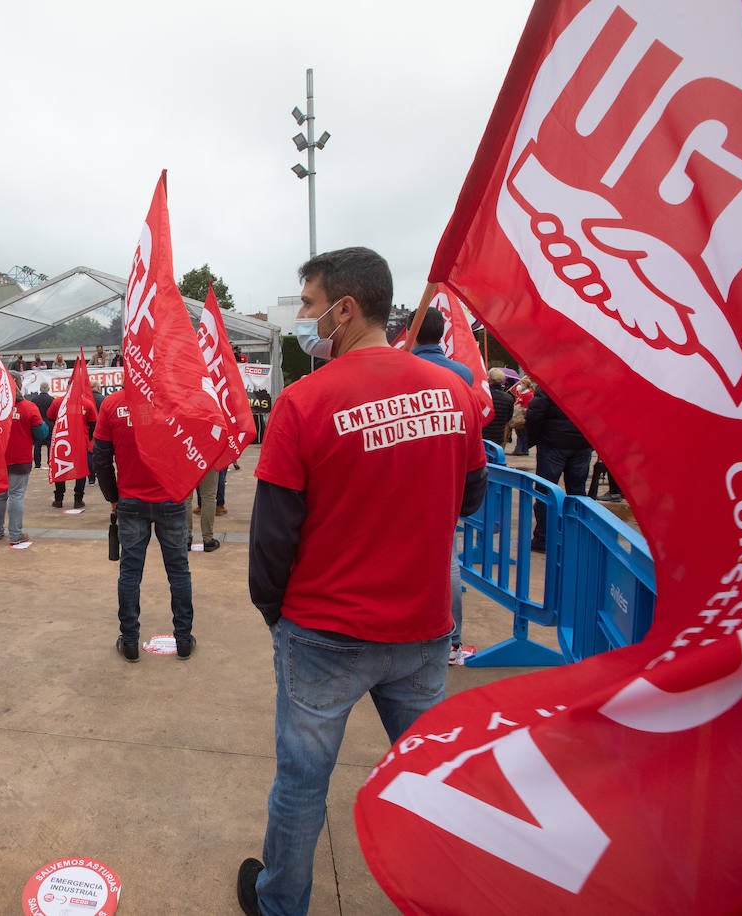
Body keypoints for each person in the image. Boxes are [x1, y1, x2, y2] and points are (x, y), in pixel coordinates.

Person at [238, 247, 486, 916]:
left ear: (345, 310)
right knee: (432, 776)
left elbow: (273, 537)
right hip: (424, 633)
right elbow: (470, 499)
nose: (308, 322)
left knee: (301, 784)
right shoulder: (458, 394)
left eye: (312, 307)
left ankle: (280, 903)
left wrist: (276, 615)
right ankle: (446, 897)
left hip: (324, 635)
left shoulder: (303, 402)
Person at [93, 389, 197, 662]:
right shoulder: (176, 399)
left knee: (130, 573)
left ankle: (129, 642)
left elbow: (101, 459)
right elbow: (193, 448)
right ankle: (183, 640)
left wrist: (113, 498)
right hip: (171, 499)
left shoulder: (112, 405)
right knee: (178, 571)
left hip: (131, 501)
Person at [410, 307, 474, 664]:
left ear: (414, 332)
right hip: (445, 478)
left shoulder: (402, 367)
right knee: (446, 560)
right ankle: (452, 641)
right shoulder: (461, 374)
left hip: (404, 478)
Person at [527, 385, 593, 551]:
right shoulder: (592, 384)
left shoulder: (550, 382)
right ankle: (576, 536)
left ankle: (543, 538)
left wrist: (534, 439)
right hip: (581, 444)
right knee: (577, 492)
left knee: (545, 492)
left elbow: (535, 414)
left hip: (553, 444)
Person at [0, 373, 48, 545]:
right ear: (19, 386)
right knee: (16, 495)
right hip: (20, 459)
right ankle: (15, 534)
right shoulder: (29, 408)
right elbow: (41, 434)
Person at [46, 387, 97, 509]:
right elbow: (93, 423)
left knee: (60, 468)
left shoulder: (58, 402)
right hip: (80, 442)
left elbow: (51, 418)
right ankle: (78, 500)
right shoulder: (87, 403)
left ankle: (59, 499)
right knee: (80, 471)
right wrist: (88, 437)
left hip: (62, 441)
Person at [187, 469, 221, 552]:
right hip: (209, 459)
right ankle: (208, 539)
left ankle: (185, 538)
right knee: (209, 496)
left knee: (186, 497)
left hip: (187, 458)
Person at [483, 367, 515, 446]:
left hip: (483, 435)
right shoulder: (509, 398)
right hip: (499, 436)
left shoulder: (484, 395)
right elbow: (508, 419)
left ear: (489, 379)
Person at [28, 381, 55, 469]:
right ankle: (50, 462)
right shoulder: (52, 400)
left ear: (40, 389)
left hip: (38, 423)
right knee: (50, 444)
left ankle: (37, 464)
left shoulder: (34, 400)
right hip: (49, 423)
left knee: (37, 444)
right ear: (48, 389)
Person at [508, 377, 535, 454]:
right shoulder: (523, 394)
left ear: (525, 385)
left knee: (521, 433)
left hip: (522, 415)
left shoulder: (527, 394)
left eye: (521, 384)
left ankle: (520, 449)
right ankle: (523, 449)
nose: (520, 385)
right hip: (520, 414)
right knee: (521, 433)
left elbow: (524, 405)